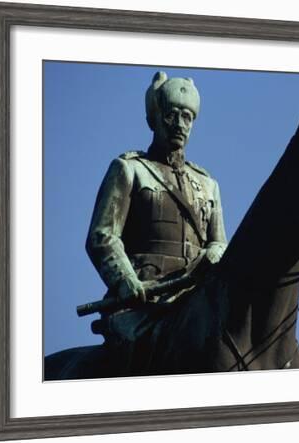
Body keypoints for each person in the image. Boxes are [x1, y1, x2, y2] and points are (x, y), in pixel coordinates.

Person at [85, 71, 227, 375]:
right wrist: (126, 282)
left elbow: (219, 241)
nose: (179, 124)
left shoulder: (208, 184)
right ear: (156, 117)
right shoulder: (129, 170)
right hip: (143, 303)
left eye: (187, 117)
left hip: (194, 299)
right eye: (172, 115)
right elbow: (103, 237)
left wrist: (217, 253)